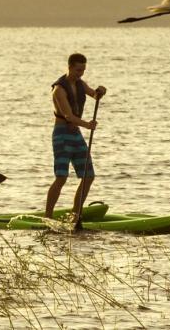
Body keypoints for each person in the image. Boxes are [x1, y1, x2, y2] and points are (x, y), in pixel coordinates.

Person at [45, 53, 106, 223]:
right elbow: (68, 115)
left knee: (88, 176)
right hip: (62, 134)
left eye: (84, 70)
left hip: (75, 135)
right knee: (62, 177)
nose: (81, 73)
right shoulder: (59, 89)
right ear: (70, 67)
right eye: (78, 70)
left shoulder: (80, 84)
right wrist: (87, 125)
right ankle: (47, 217)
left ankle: (75, 215)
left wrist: (101, 91)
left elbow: (94, 95)